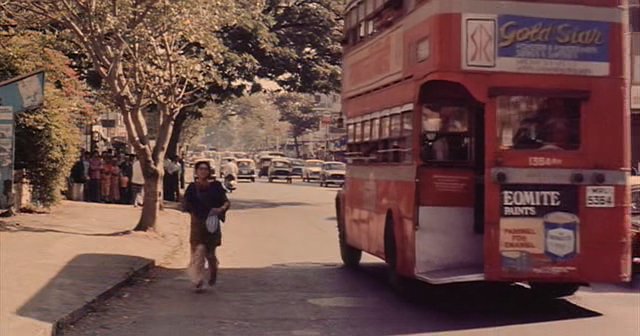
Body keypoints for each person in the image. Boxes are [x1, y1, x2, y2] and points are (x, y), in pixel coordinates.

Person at [183, 161, 230, 290]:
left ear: (209, 171)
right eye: (200, 169)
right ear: (196, 171)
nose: (203, 171)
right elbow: (185, 204)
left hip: (212, 223)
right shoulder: (192, 187)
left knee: (210, 254)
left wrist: (220, 210)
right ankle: (197, 279)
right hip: (197, 223)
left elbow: (226, 202)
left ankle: (213, 272)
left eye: (205, 169)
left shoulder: (216, 186)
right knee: (197, 252)